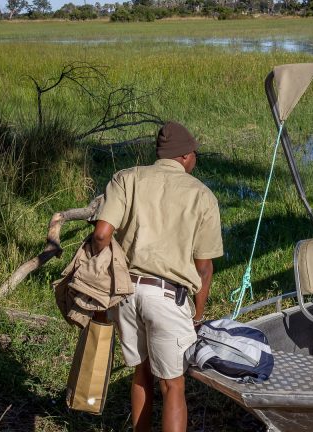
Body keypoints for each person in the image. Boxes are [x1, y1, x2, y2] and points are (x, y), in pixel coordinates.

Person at [90, 121, 223, 432]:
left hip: (125, 293)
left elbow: (101, 234)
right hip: (166, 297)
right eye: (195, 154)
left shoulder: (126, 178)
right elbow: (204, 267)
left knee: (141, 372)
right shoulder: (202, 195)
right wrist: (197, 313)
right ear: (186, 156)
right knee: (172, 385)